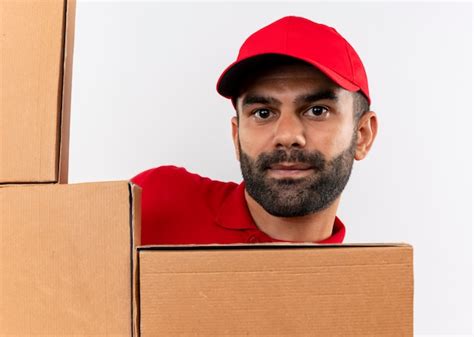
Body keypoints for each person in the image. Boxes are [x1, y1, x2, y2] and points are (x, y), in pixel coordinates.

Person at [131, 16, 378, 245]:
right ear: (236, 135)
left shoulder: (360, 284)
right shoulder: (151, 203)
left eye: (317, 111)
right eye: (263, 113)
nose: (287, 136)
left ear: (362, 135)